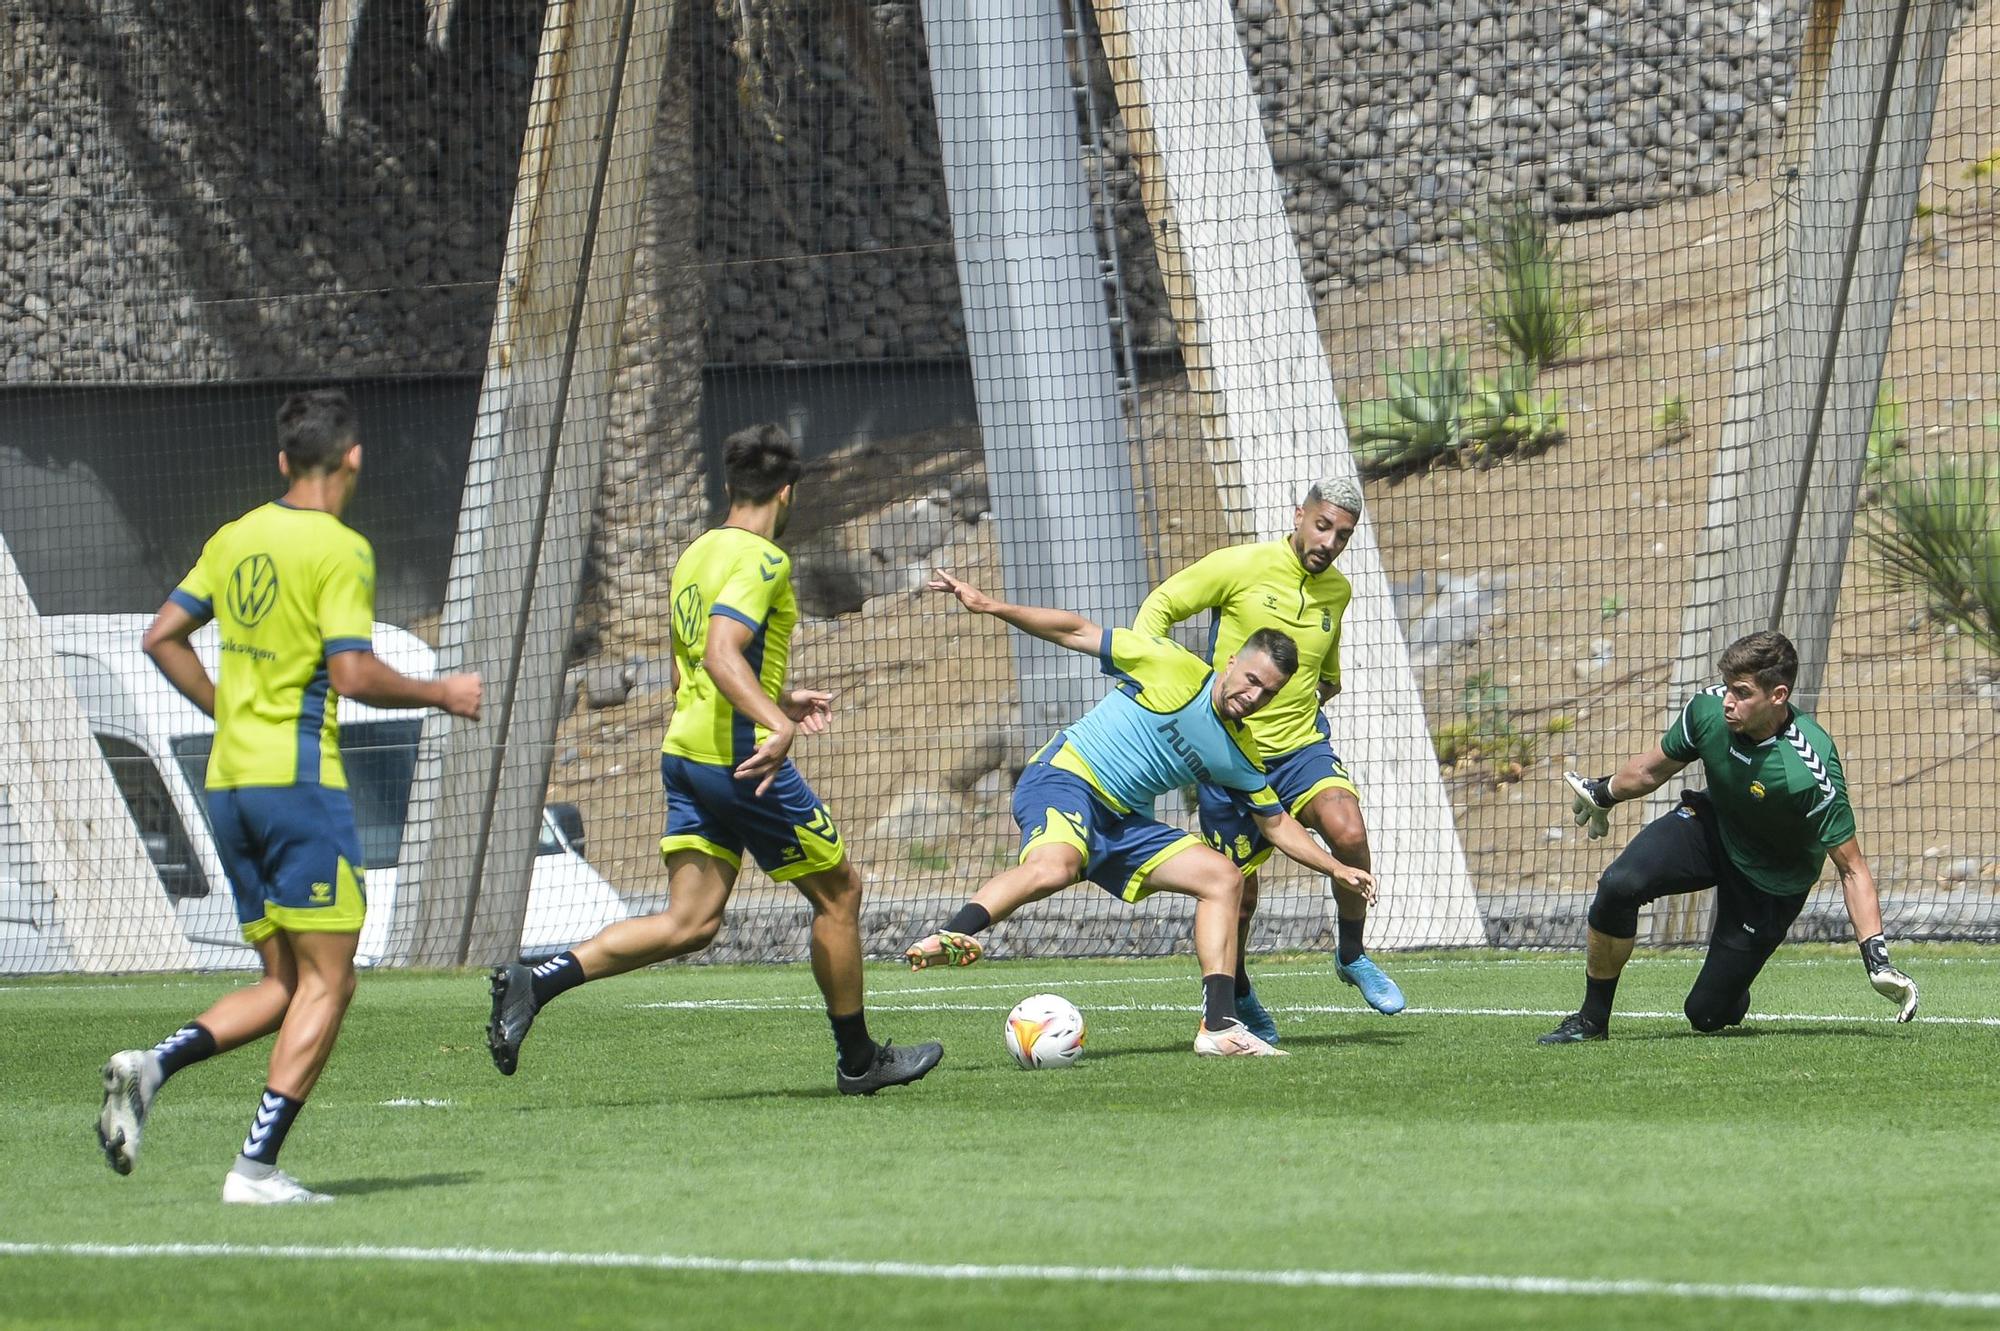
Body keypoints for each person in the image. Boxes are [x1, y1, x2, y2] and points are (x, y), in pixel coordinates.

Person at [95, 389, 482, 1204]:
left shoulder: (237, 535)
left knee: (284, 983)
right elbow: (354, 672)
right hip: (299, 785)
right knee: (332, 981)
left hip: (230, 782)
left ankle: (152, 1066)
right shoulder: (339, 548)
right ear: (352, 458)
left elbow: (161, 634)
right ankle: (254, 1171)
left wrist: (226, 708)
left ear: (282, 461)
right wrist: (441, 690)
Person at [485, 424, 942, 1095]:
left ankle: (537, 981)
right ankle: (858, 1060)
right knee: (840, 890)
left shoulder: (696, 555)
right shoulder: (764, 561)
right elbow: (724, 653)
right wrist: (774, 720)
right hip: (740, 759)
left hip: (686, 752)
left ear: (731, 486)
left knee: (690, 922)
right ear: (788, 493)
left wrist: (778, 692)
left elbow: (689, 673)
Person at [904, 569, 1375, 1057]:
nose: (1253, 697)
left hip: (1123, 819)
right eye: (1252, 680)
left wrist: (1338, 867)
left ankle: (1219, 1026)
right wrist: (991, 606)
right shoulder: (1171, 666)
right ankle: (953, 935)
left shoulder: (1239, 752)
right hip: (1067, 779)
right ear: (1231, 661)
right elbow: (1076, 630)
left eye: (1267, 693)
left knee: (1224, 878)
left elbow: (1277, 825)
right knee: (1056, 866)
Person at [1540, 630, 1919, 1044]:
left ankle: (1731, 988)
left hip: (1770, 882)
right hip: (1714, 827)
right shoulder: (1707, 709)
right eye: (1727, 687)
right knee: (1619, 885)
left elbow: (1851, 869)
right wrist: (1604, 791)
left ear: (1777, 695)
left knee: (1705, 1014)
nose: (1727, 701)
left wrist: (1877, 961)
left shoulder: (1810, 766)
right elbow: (1653, 769)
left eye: (1741, 692)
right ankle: (1592, 1021)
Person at [1130, 476, 1402, 1043]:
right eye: (1322, 525)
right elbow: (1161, 606)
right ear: (1298, 514)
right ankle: (1242, 989)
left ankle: (1351, 955)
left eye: (1343, 535)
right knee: (1239, 893)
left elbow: (1325, 678)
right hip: (1229, 759)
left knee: (1348, 831)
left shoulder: (1338, 594)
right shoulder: (1241, 565)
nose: (1329, 541)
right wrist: (1159, 682)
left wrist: (1302, 714)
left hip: (1302, 748)